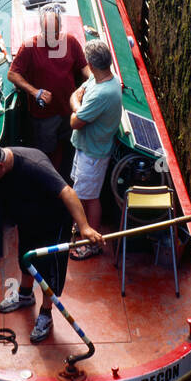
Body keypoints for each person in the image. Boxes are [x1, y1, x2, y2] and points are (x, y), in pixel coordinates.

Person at [0, 141, 103, 343]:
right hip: (27, 218)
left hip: (53, 221)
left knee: (49, 270)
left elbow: (68, 192)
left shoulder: (33, 164)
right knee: (25, 256)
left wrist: (84, 227)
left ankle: (45, 313)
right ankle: (25, 295)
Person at [7, 5, 89, 168]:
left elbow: (84, 67)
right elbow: (12, 74)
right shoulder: (29, 46)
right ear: (41, 29)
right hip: (44, 115)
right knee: (46, 150)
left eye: (55, 33)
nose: (52, 38)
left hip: (69, 109)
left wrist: (95, 79)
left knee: (70, 142)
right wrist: (35, 92)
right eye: (47, 33)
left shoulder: (71, 42)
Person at [68, 40, 123, 259]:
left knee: (89, 197)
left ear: (91, 64)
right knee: (84, 194)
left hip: (92, 154)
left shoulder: (102, 93)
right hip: (86, 149)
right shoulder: (100, 78)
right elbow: (76, 95)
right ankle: (81, 230)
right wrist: (78, 106)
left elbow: (74, 120)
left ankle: (91, 243)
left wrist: (77, 107)